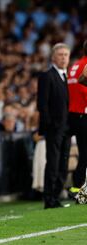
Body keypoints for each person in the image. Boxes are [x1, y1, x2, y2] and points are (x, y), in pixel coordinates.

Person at [37, 43, 71, 209]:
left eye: (66, 54)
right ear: (53, 57)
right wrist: (49, 125)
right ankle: (49, 199)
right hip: (54, 129)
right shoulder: (47, 76)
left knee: (63, 164)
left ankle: (56, 196)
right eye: (60, 55)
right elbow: (42, 104)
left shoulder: (69, 77)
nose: (63, 57)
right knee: (53, 163)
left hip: (68, 128)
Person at [67, 40, 87, 194]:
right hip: (83, 112)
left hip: (74, 113)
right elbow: (83, 90)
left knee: (84, 153)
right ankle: (79, 188)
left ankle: (77, 187)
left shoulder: (75, 65)